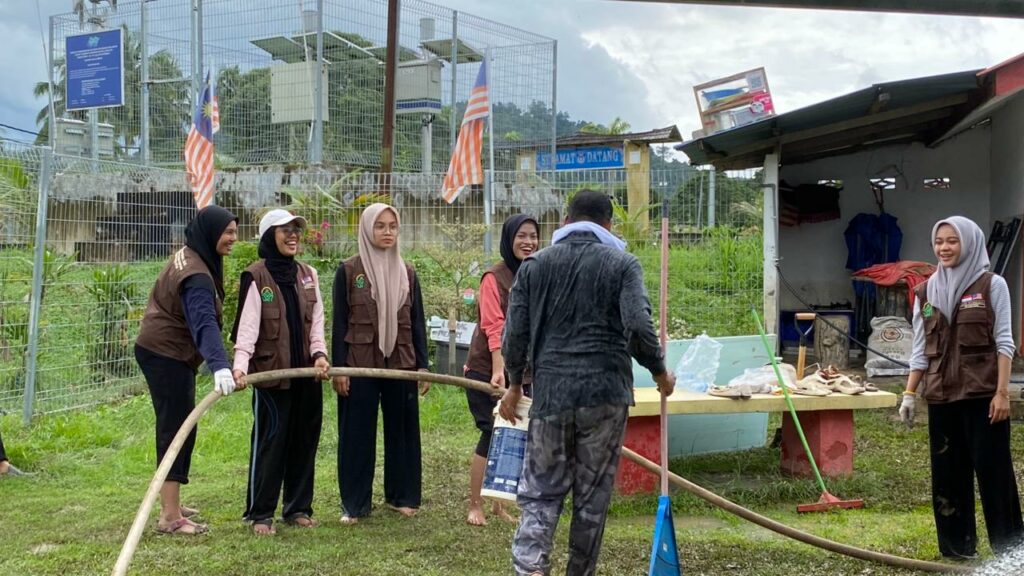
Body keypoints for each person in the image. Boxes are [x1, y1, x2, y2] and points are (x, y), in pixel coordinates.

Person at [499, 190, 675, 576]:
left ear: (566, 221)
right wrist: (660, 373)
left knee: (541, 494)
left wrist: (514, 383)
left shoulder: (534, 266)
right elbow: (639, 329)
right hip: (605, 397)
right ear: (609, 224)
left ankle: (529, 570)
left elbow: (514, 335)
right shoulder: (623, 263)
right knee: (591, 499)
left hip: (552, 395)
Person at [899, 215, 1023, 559]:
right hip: (941, 397)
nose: (944, 248)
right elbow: (920, 350)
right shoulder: (924, 291)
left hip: (983, 397)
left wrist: (1002, 393)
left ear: (968, 243)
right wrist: (909, 395)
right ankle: (956, 550)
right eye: (939, 242)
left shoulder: (991, 285)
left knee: (994, 475)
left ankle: (1012, 552)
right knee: (947, 477)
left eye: (952, 241)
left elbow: (1004, 343)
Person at [135, 205, 242, 535]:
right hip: (166, 353)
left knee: (181, 426)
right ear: (211, 233)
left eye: (236, 232)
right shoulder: (195, 274)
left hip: (163, 350)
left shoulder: (194, 254)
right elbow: (204, 323)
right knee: (176, 429)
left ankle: (172, 502)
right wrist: (220, 365)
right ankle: (170, 516)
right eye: (228, 233)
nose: (233, 239)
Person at [231, 209, 330, 535]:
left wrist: (320, 355)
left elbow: (316, 324)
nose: (293, 236)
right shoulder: (256, 277)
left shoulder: (308, 274)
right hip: (272, 378)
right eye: (284, 230)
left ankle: (297, 507)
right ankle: (260, 513)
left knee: (304, 441)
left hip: (307, 377)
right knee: (271, 443)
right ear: (267, 237)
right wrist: (240, 368)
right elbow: (247, 330)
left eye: (296, 230)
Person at [331, 203, 430, 524]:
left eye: (392, 226)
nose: (387, 232)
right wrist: (339, 368)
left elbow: (417, 323)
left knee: (403, 430)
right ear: (367, 229)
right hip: (359, 364)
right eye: (380, 226)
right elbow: (339, 324)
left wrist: (423, 366)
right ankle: (355, 504)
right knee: (356, 434)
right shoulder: (348, 271)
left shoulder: (408, 272)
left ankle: (402, 495)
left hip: (401, 362)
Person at [463, 214, 539, 526]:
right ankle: (475, 504)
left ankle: (499, 504)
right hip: (487, 370)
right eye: (521, 235)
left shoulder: (536, 274)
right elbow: (493, 327)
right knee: (490, 433)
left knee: (516, 435)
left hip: (524, 373)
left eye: (533, 236)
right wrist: (499, 373)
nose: (528, 242)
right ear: (509, 239)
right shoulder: (493, 278)